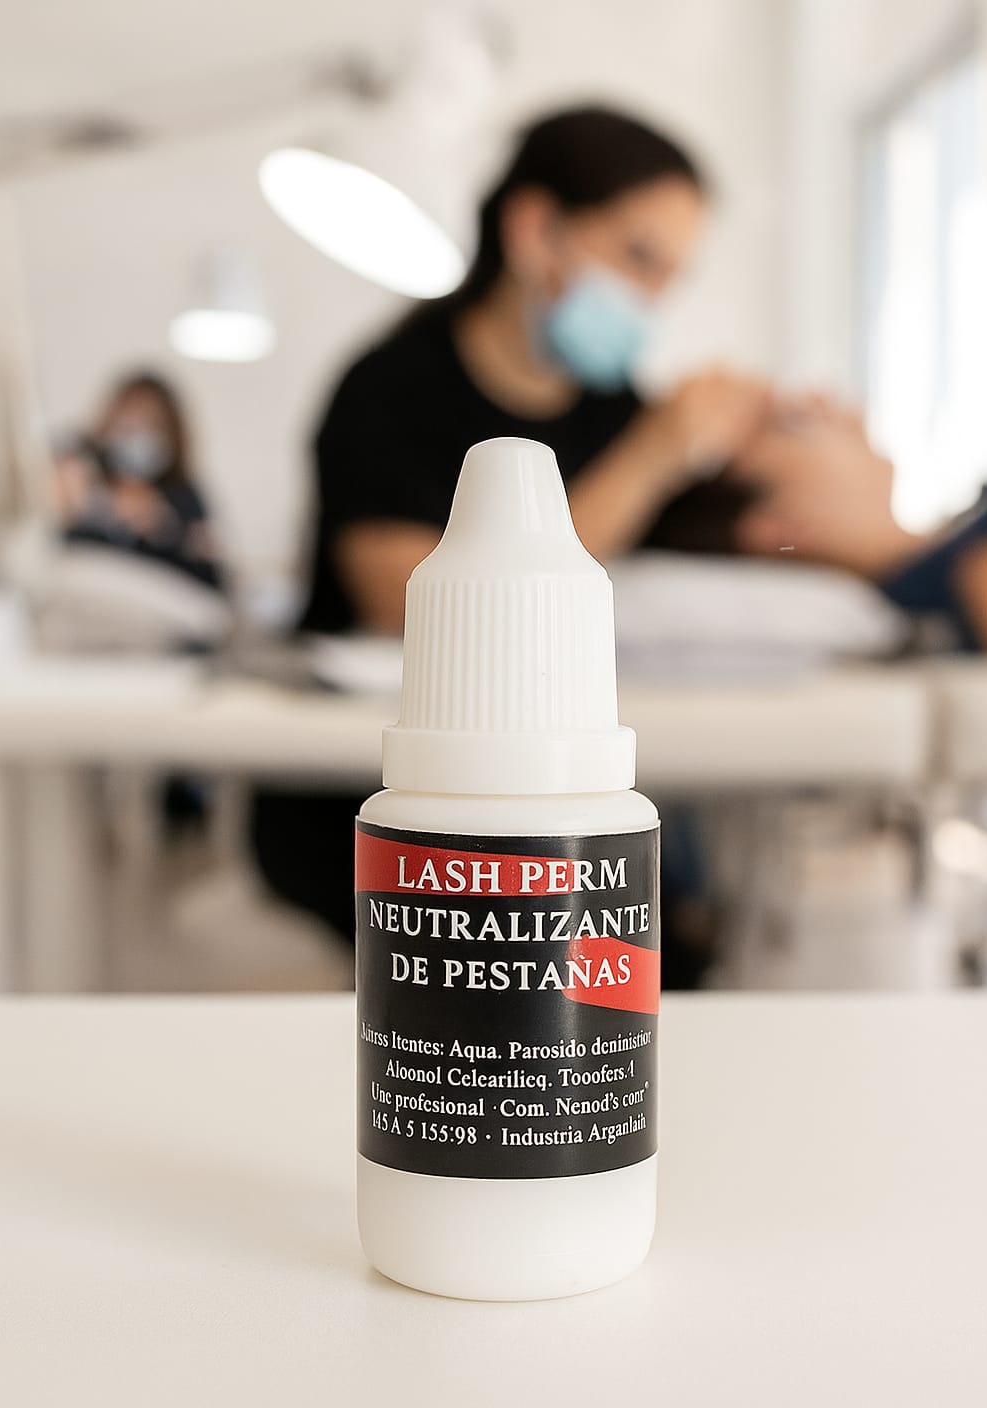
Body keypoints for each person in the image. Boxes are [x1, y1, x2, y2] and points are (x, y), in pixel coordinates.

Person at [256, 103, 761, 984]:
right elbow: (401, 600)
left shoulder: (617, 410)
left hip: (561, 784)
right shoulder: (388, 391)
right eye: (640, 257)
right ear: (536, 231)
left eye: (671, 275)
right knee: (510, 971)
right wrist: (650, 458)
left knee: (659, 955)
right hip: (362, 789)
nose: (652, 300)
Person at [663, 397, 987, 654]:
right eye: (793, 423)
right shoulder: (984, 570)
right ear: (779, 528)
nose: (828, 403)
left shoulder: (972, 540)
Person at [54, 371, 221, 590]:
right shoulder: (84, 483)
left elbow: (211, 576)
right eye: (128, 421)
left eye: (152, 423)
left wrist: (163, 531)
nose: (138, 432)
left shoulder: (184, 495)